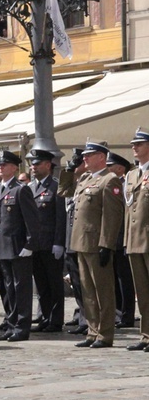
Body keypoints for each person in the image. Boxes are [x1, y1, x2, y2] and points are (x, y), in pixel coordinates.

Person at [70, 141, 124, 348]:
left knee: (103, 291)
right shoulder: (84, 179)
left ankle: (105, 334)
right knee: (87, 291)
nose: (85, 158)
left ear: (102, 157)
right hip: (81, 242)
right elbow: (65, 191)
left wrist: (106, 244)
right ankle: (92, 331)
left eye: (89, 155)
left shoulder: (109, 180)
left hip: (96, 243)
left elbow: (112, 217)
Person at [0, 151, 39, 342]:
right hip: (3, 246)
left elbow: (32, 220)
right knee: (8, 288)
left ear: (14, 167)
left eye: (4, 164)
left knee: (21, 288)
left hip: (19, 246)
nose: (0, 167)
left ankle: (22, 326)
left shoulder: (21, 189)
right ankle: (11, 324)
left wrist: (30, 243)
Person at [26, 149, 67, 333]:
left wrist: (59, 242)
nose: (33, 167)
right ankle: (43, 317)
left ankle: (55, 320)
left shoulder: (56, 187)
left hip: (51, 244)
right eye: (32, 164)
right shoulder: (30, 188)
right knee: (41, 285)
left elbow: (60, 218)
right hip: (36, 244)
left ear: (48, 165)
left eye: (37, 163)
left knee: (54, 284)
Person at [124, 128, 149, 351]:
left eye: (139, 143)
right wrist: (126, 240)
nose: (134, 147)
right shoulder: (132, 175)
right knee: (141, 291)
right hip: (134, 240)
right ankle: (146, 335)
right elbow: (128, 209)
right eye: (133, 144)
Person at [106, 151, 136, 328]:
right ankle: (118, 313)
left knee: (125, 280)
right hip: (112, 239)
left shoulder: (125, 185)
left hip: (123, 238)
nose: (108, 169)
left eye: (110, 166)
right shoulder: (112, 184)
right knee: (114, 278)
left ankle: (127, 315)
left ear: (119, 168)